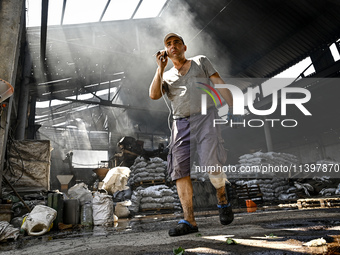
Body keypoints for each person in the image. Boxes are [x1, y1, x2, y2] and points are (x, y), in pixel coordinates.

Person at [149, 33, 235, 236]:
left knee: (211, 163)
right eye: (168, 44)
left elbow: (219, 83)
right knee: (180, 171)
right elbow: (153, 95)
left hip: (206, 118)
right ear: (166, 52)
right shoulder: (166, 75)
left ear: (184, 47)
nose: (173, 46)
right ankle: (189, 221)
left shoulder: (200, 61)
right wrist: (160, 68)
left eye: (176, 42)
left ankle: (222, 197)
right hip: (181, 123)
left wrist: (233, 107)